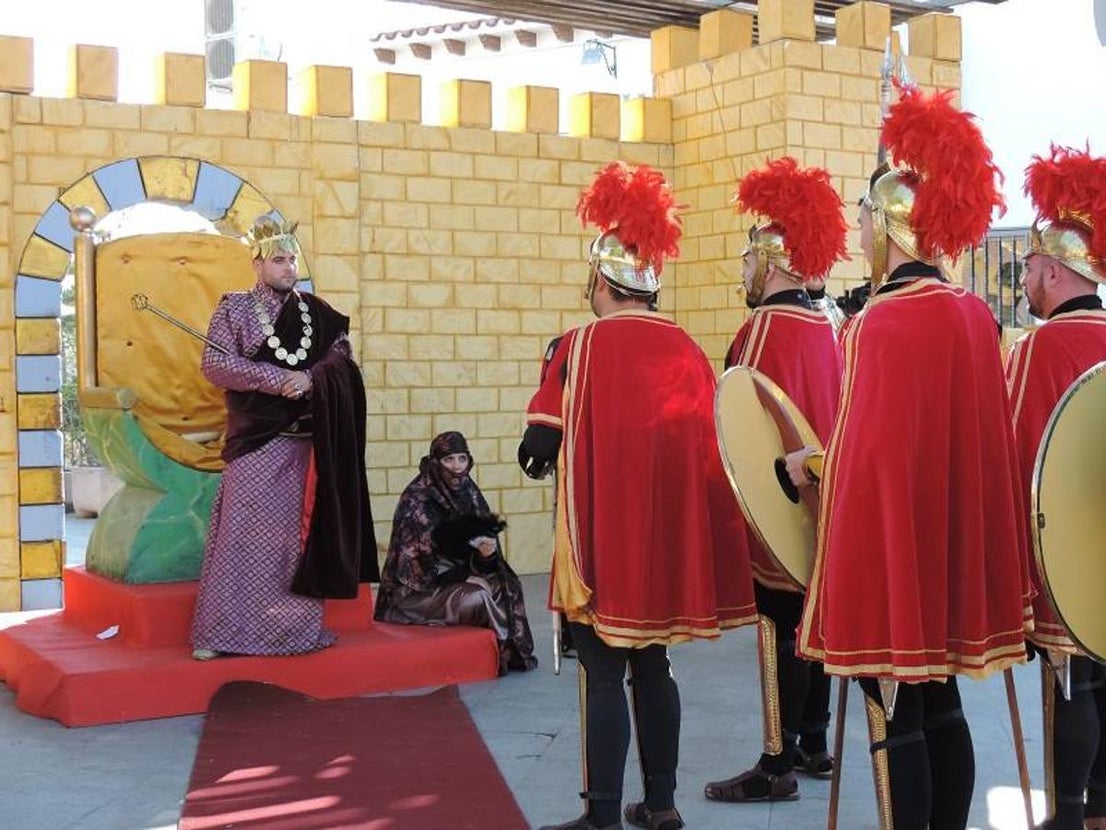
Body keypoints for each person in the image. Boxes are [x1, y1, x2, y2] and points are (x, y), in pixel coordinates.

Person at [786, 86, 1033, 829]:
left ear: (889, 223)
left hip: (898, 549)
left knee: (897, 705)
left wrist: (808, 466)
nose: (859, 229)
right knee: (945, 697)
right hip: (954, 539)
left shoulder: (877, 323)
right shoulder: (972, 314)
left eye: (864, 216)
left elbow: (865, 459)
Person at [519, 161, 757, 830]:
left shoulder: (579, 345)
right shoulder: (685, 347)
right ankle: (660, 804)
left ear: (602, 280)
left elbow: (537, 446)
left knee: (601, 673)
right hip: (661, 549)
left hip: (603, 545)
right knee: (654, 668)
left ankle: (598, 816)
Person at [705, 157, 847, 804]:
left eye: (750, 258)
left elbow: (740, 418)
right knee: (813, 621)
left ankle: (775, 758)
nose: (745, 271)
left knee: (778, 625)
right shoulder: (833, 326)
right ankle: (815, 742)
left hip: (781, 502)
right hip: (827, 498)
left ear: (775, 262)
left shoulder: (759, 328)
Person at [191, 216, 377, 659]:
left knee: (295, 541)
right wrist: (279, 379)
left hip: (307, 447)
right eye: (278, 260)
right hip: (257, 443)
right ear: (257, 264)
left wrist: (311, 378)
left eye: (292, 259)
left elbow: (342, 362)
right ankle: (221, 635)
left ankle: (292, 633)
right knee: (241, 538)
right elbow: (216, 366)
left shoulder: (318, 312)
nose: (288, 267)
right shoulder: (233, 309)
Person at [1006, 145, 1106, 830]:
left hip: (1062, 549)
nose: (1027, 282)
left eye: (1032, 270)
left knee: (1071, 681)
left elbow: (1016, 449)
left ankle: (1066, 815)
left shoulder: (1040, 347)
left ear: (1053, 271)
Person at [375, 431, 538, 675]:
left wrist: (485, 555)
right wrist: (464, 576)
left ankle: (514, 652)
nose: (457, 467)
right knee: (479, 597)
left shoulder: (468, 492)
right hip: (412, 594)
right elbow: (417, 568)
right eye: (449, 460)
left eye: (462, 459)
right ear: (435, 462)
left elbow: (481, 551)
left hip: (453, 579)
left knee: (506, 584)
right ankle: (504, 653)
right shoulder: (417, 500)